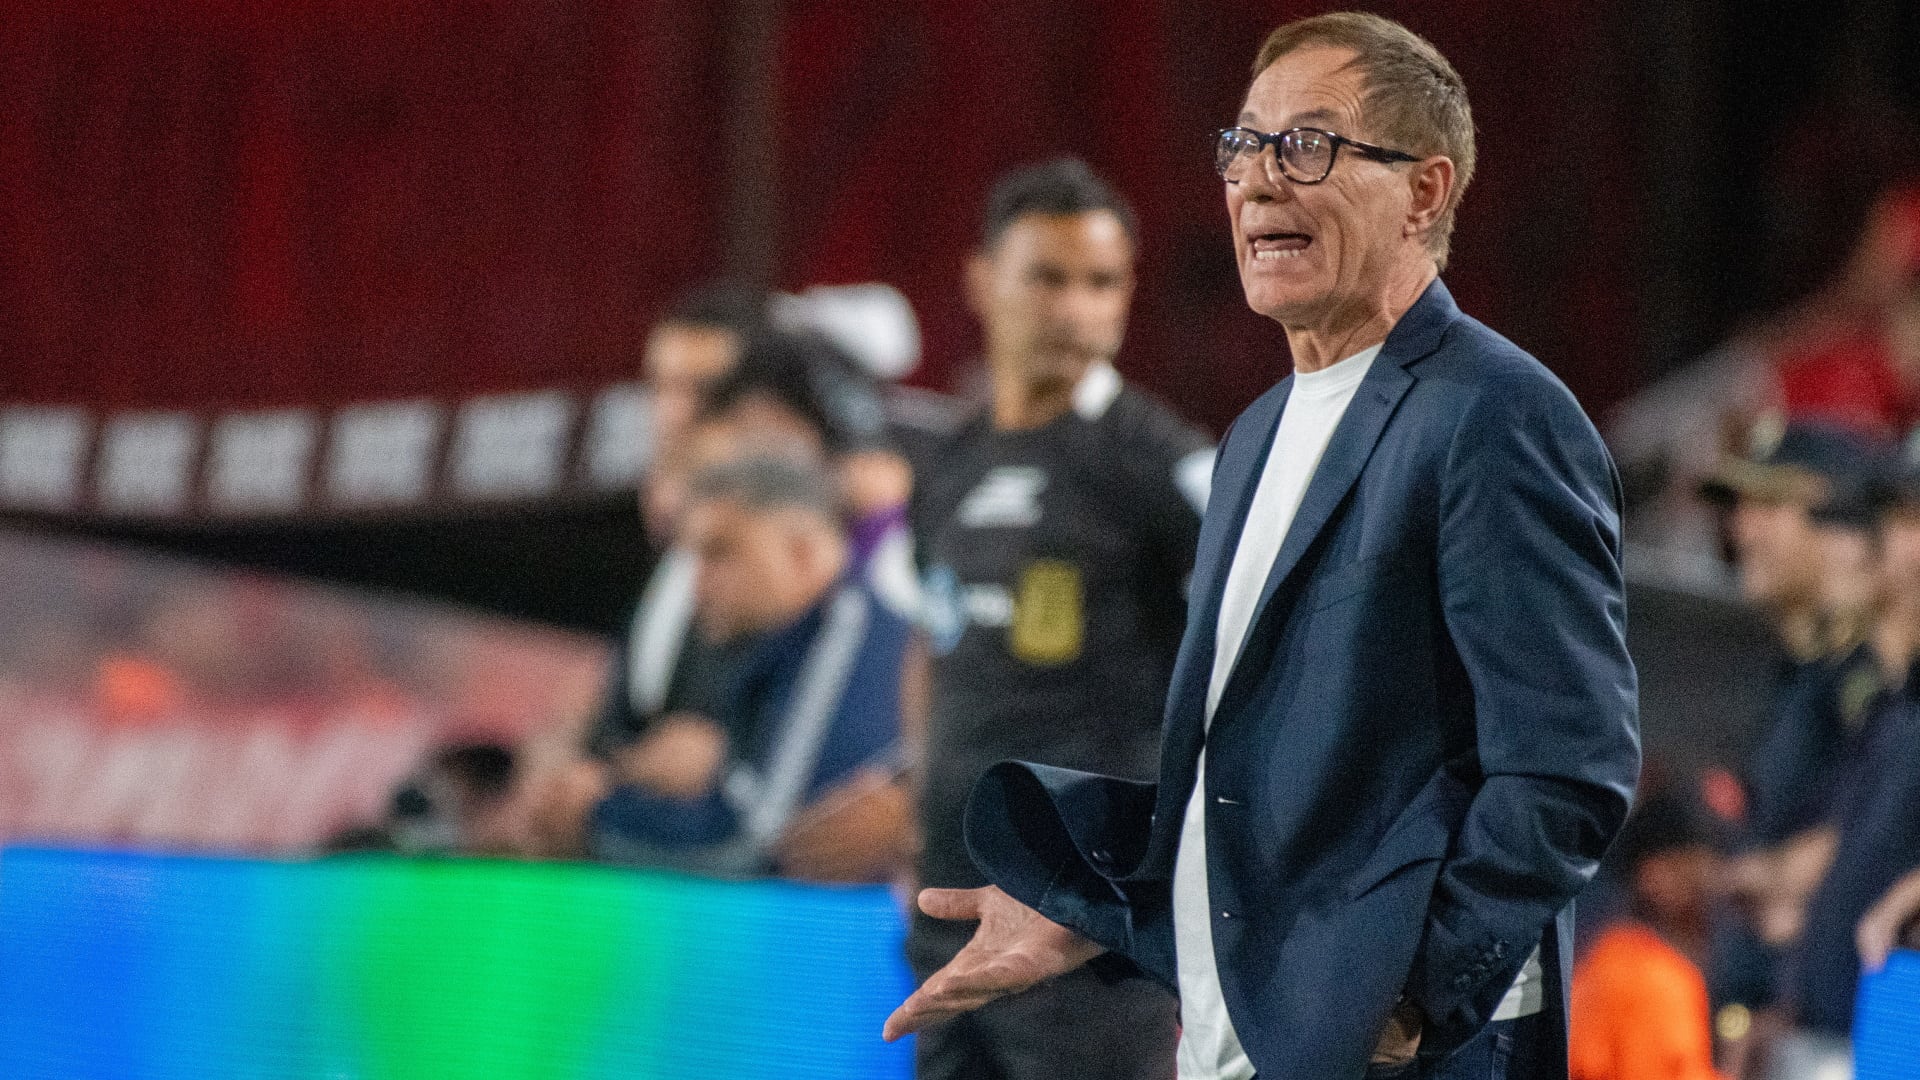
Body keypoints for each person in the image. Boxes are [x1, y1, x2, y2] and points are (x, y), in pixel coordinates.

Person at [885, 14, 1640, 1080]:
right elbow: (1257, 790)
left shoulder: (1496, 414)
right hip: (1235, 1036)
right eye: (1244, 145)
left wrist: (1413, 998)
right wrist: (1095, 913)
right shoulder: (1255, 436)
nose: (1259, 180)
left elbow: (1569, 769)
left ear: (1425, 192)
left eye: (1309, 145)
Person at [902, 156, 1211, 1080]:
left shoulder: (1167, 467)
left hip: (1083, 936)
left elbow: (1259, 648)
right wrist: (913, 792)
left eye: (1102, 283)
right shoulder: (948, 465)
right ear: (979, 281)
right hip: (949, 919)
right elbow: (933, 641)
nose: (1076, 309)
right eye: (1048, 278)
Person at [587, 455, 911, 878]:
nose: (697, 584)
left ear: (801, 551)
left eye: (719, 554)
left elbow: (767, 844)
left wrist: (594, 815)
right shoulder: (777, 642)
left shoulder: (854, 623)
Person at [1569, 783, 1726, 1080]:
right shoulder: (1655, 979)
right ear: (1655, 875)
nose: (1714, 884)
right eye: (1699, 868)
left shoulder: (1611, 953)